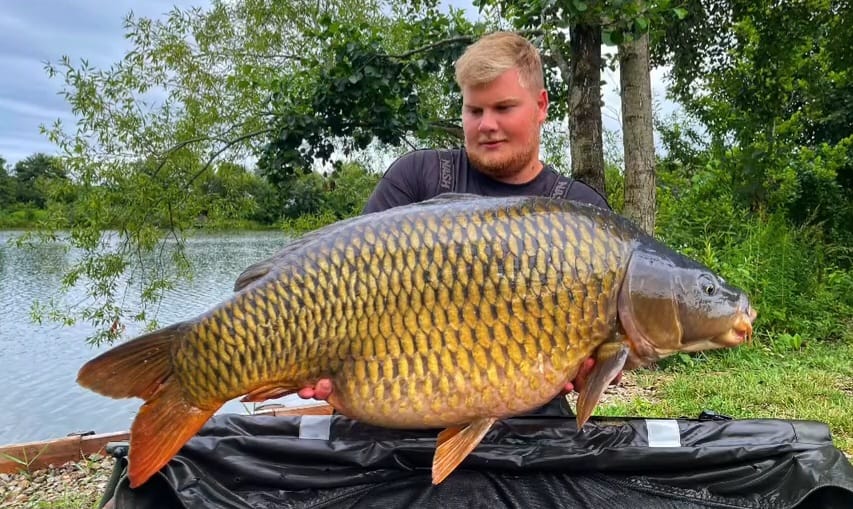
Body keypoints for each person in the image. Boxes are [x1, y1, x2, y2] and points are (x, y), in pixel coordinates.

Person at [297, 31, 618, 414]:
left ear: (541, 105)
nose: (486, 125)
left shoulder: (583, 215)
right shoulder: (417, 178)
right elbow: (346, 284)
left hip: (530, 424)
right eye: (474, 111)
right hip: (398, 408)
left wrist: (595, 372)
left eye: (503, 108)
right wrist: (319, 355)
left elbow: (604, 355)